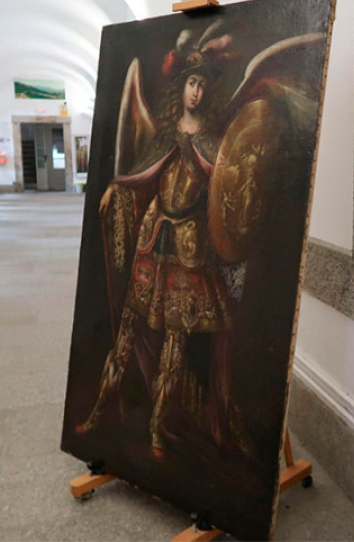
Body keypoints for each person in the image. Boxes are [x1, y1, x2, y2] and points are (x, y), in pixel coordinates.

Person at [77, 38, 238, 460]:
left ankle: (157, 428)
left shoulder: (216, 142)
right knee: (129, 330)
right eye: (191, 83)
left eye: (203, 84)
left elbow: (226, 191)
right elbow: (141, 171)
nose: (196, 92)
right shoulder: (167, 133)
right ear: (181, 88)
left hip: (189, 248)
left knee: (175, 345)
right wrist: (116, 186)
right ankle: (98, 411)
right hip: (154, 238)